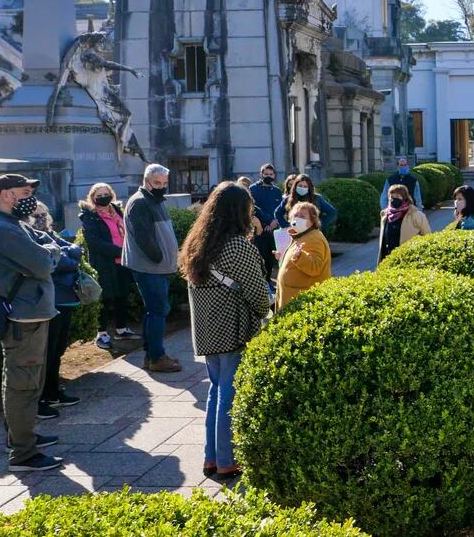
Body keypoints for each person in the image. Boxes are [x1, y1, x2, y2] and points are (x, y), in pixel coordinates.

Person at [179, 181, 270, 482]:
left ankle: (212, 457)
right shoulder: (237, 247)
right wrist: (265, 313)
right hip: (232, 328)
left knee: (216, 391)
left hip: (206, 331)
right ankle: (227, 460)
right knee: (228, 394)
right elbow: (258, 294)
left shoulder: (198, 243)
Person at [0, 174, 63, 471]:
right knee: (22, 385)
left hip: (30, 314)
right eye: (24, 192)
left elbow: (44, 247)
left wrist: (48, 250)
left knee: (26, 383)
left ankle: (23, 436)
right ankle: (23, 454)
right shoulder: (3, 230)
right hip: (22, 318)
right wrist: (53, 252)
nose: (29, 198)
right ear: (5, 195)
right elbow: (43, 263)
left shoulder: (13, 225)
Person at [25, 203, 83, 418]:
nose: (40, 218)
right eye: (35, 215)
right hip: (47, 301)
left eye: (43, 214)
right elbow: (56, 263)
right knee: (45, 351)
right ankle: (40, 398)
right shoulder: (30, 236)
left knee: (57, 349)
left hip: (64, 298)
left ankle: (53, 391)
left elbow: (75, 250)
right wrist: (65, 256)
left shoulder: (48, 234)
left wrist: (66, 255)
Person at [123, 164, 181, 373]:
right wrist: (160, 258)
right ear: (145, 180)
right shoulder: (139, 202)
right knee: (158, 311)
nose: (161, 187)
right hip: (150, 268)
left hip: (158, 268)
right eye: (157, 183)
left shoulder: (154, 200)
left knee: (154, 311)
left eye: (165, 183)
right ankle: (156, 357)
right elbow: (144, 238)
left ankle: (152, 355)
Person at [78, 183, 139, 350]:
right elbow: (95, 243)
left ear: (111, 195)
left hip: (123, 261)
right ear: (92, 198)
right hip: (105, 263)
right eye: (99, 195)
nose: (103, 197)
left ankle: (121, 328)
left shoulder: (117, 211)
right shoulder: (89, 216)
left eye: (106, 193)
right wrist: (120, 251)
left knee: (122, 295)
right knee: (105, 298)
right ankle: (102, 333)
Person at [274, 201, 332, 311]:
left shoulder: (314, 239)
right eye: (296, 215)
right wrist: (282, 258)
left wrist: (300, 256)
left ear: (312, 221)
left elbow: (315, 267)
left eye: (303, 216)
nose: (298, 218)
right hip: (292, 297)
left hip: (301, 300)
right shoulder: (302, 235)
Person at [377, 184, 431, 262]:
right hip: (388, 258)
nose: (394, 199)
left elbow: (428, 236)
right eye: (392, 197)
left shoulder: (416, 215)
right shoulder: (385, 215)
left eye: (398, 197)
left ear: (405, 198)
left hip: (409, 259)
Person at [248, 164, 283, 283]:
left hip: (274, 229)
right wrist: (267, 221)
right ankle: (261, 283)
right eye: (266, 174)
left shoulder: (277, 191)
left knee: (271, 258)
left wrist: (275, 222)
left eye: (271, 174)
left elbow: (280, 209)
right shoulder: (253, 189)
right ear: (261, 174)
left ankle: (269, 281)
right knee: (260, 256)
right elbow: (254, 208)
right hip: (259, 229)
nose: (268, 176)